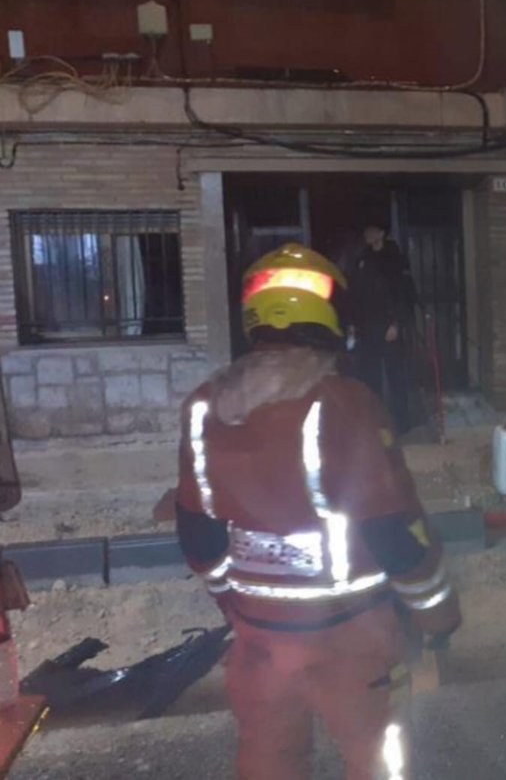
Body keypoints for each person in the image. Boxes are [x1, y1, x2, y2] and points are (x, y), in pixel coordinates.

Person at [174, 243, 460, 780]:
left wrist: (235, 607)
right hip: (354, 640)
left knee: (269, 762)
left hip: (259, 646)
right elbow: (395, 534)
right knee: (380, 762)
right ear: (332, 318)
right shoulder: (347, 403)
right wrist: (439, 615)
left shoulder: (202, 408)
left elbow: (198, 536)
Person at [348, 222, 420, 435]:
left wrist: (396, 323)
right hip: (366, 328)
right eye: (366, 230)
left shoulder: (394, 258)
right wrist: (353, 324)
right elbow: (355, 295)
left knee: (396, 376)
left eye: (371, 230)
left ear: (381, 233)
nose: (367, 234)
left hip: (389, 327)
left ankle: (401, 423)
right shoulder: (362, 259)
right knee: (370, 378)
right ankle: (375, 422)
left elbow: (404, 294)